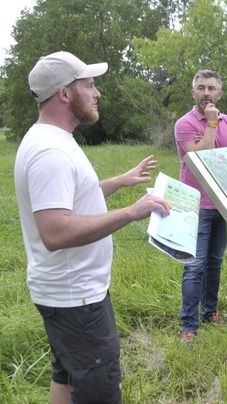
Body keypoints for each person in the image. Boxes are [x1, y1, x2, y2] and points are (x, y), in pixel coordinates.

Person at [14, 51, 170, 403]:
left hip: (67, 294)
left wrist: (119, 181)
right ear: (65, 94)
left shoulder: (52, 139)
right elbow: (54, 232)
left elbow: (70, 200)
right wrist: (132, 212)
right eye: (89, 84)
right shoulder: (50, 153)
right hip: (76, 300)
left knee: (65, 377)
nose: (96, 92)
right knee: (98, 390)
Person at [174, 70, 227, 347]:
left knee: (215, 261)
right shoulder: (185, 123)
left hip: (223, 203)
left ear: (220, 94)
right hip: (195, 204)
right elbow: (199, 157)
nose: (206, 93)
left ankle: (210, 310)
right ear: (193, 93)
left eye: (211, 88)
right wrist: (211, 125)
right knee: (194, 266)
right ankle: (188, 325)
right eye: (201, 88)